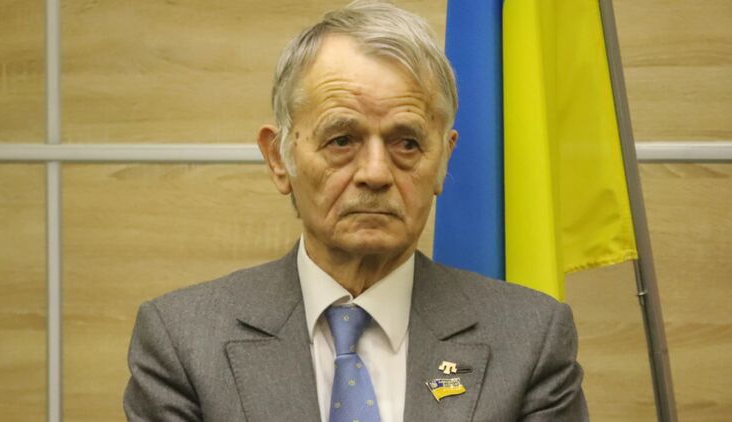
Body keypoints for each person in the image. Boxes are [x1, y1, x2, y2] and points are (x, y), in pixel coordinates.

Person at [123, 1, 588, 421]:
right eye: (342, 140)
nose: (376, 173)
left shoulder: (529, 339)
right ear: (279, 158)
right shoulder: (184, 340)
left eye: (407, 143)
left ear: (444, 160)